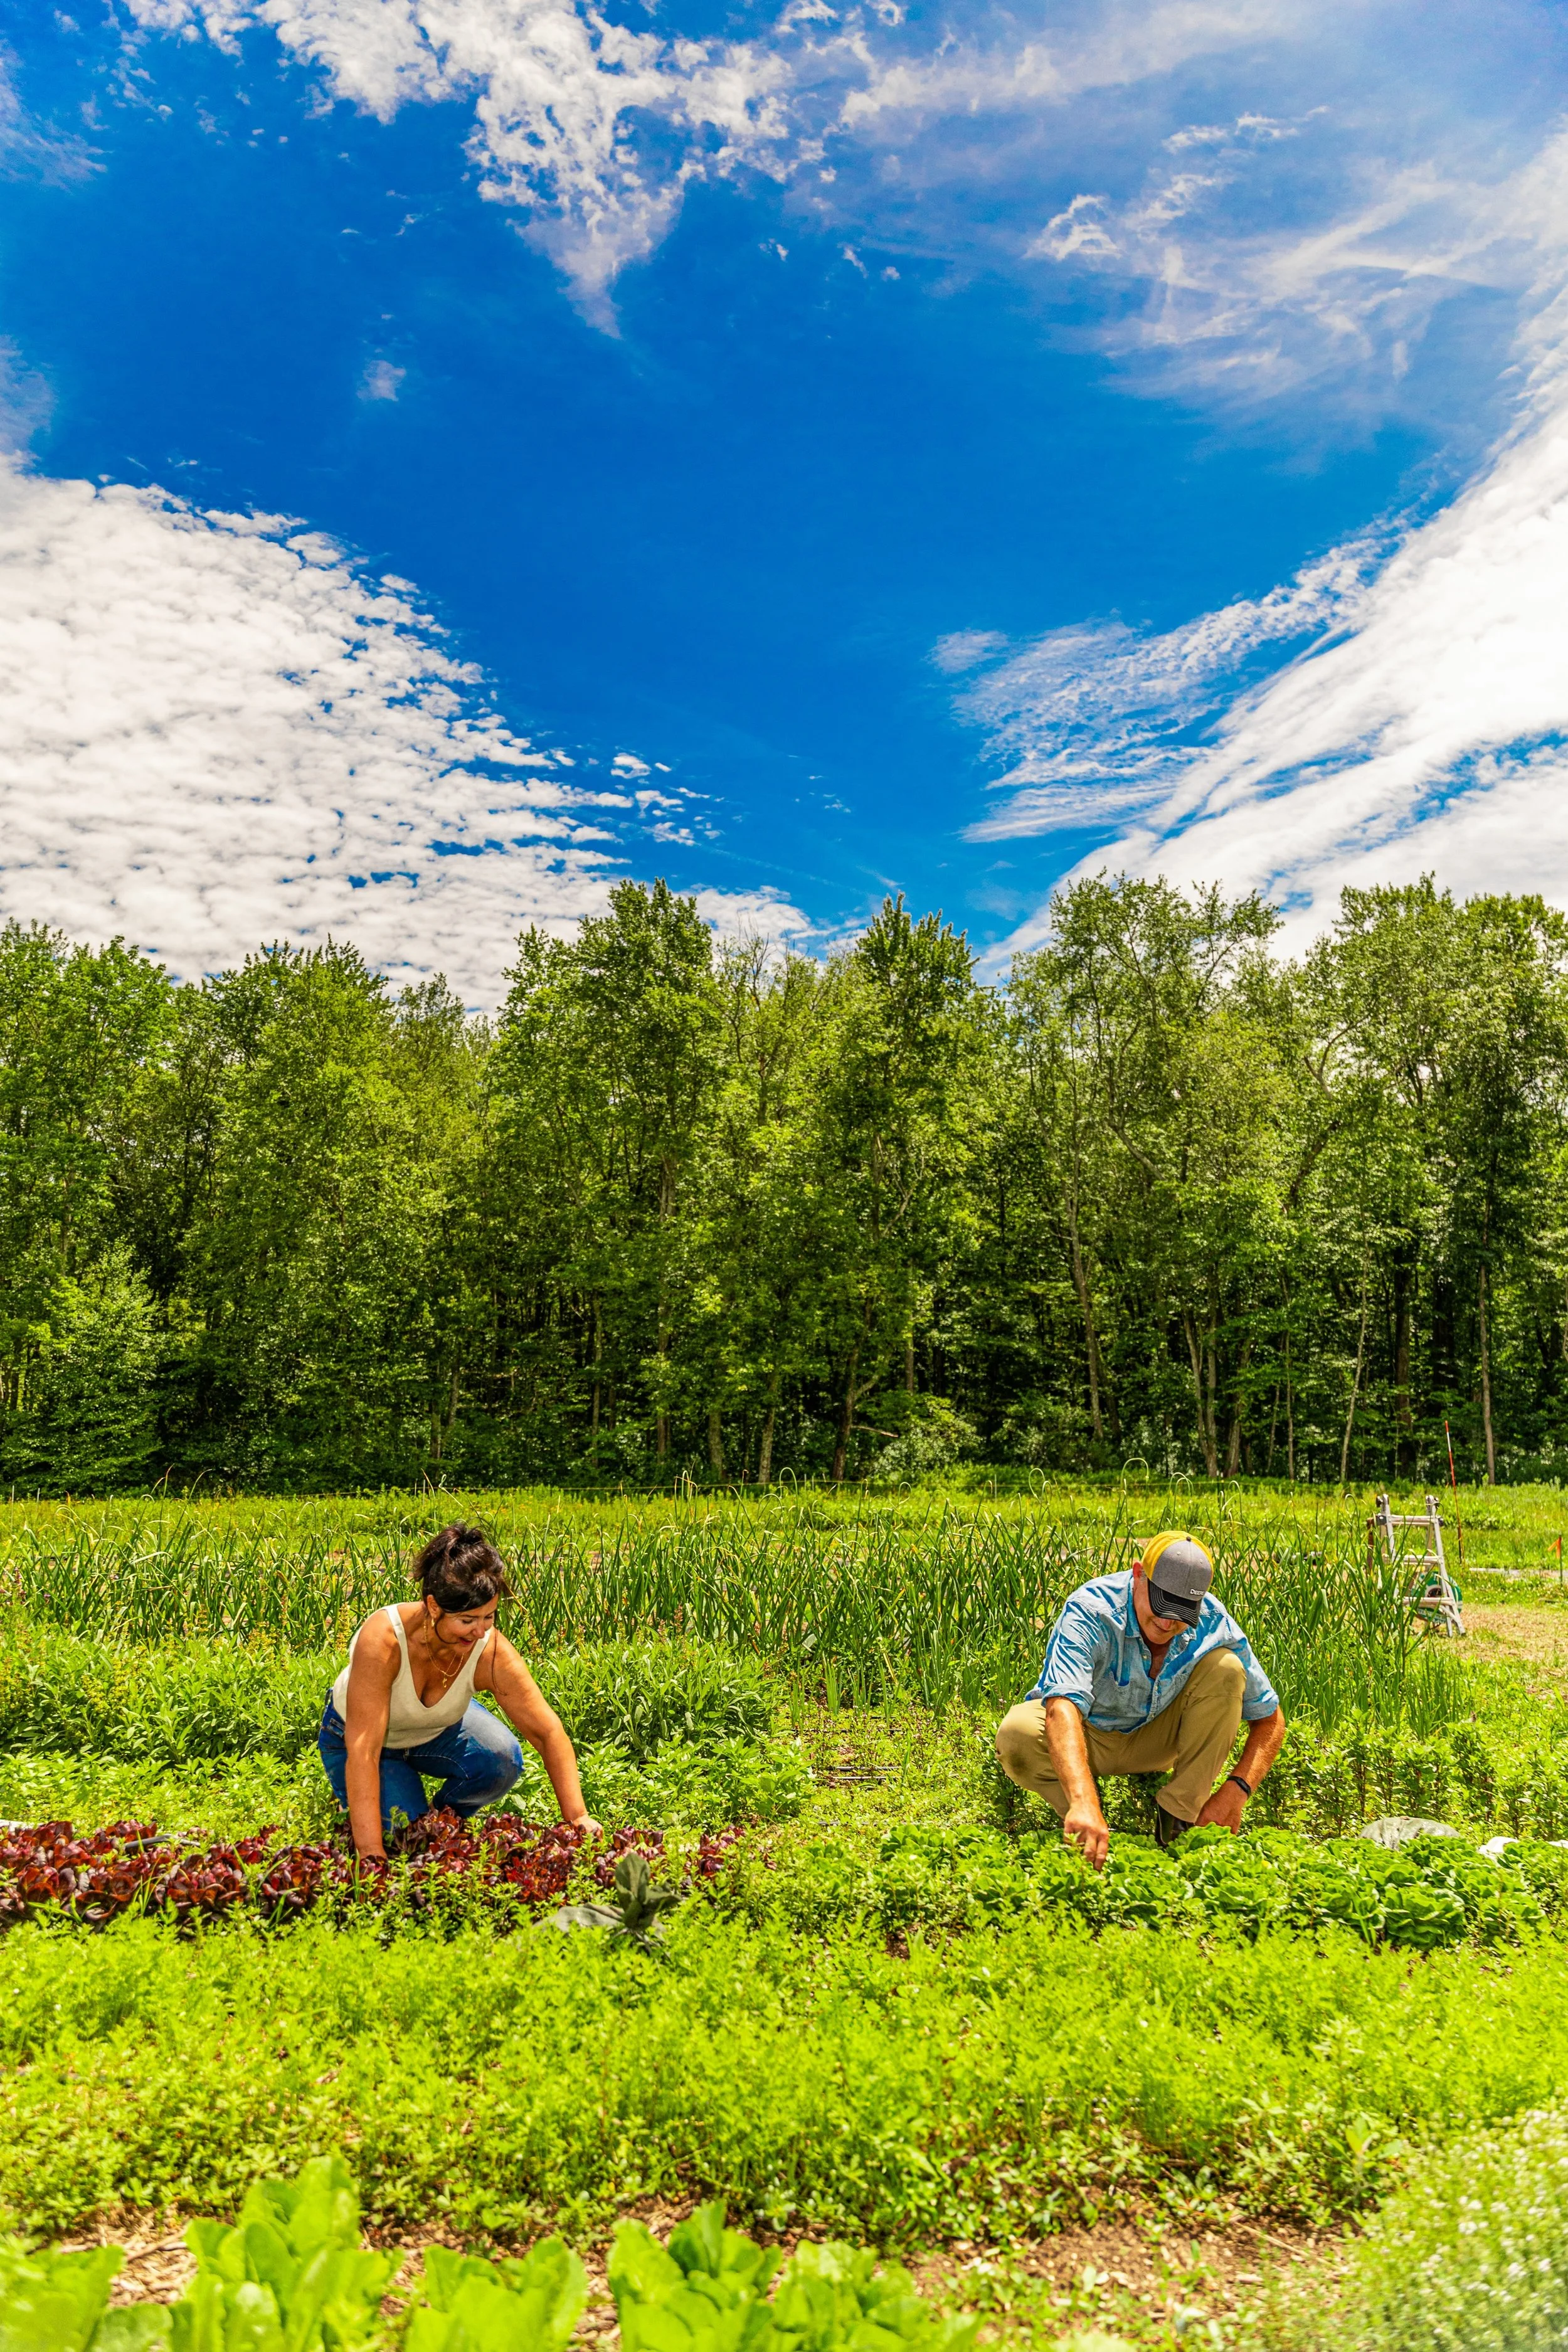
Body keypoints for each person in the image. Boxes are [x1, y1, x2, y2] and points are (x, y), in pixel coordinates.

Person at [995, 1530, 1285, 1868]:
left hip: (1157, 1739)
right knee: (1017, 1735)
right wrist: (1083, 1799)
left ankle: (1178, 1821)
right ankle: (1084, 1817)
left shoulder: (1213, 1620)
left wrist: (1236, 1792)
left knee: (1227, 1668)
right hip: (1089, 1736)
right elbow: (1063, 1706)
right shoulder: (1092, 1610)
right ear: (1138, 1574)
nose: (1166, 1622)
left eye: (1181, 1612)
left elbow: (1270, 1719)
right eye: (1161, 1604)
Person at [319, 1522, 603, 1859]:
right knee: (407, 1840)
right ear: (434, 1606)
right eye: (468, 1620)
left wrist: (578, 1817)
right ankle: (390, 1805)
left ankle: (443, 1820)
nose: (480, 1632)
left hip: (435, 1732)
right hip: (360, 1742)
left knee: (500, 1758)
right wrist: (370, 1853)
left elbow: (547, 1733)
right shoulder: (385, 1640)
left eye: (489, 1617)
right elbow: (364, 1749)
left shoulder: (490, 1651)